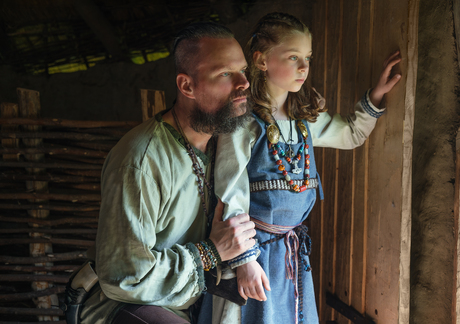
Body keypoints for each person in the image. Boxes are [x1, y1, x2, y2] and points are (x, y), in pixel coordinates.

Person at [197, 12, 402, 324]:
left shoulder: (304, 120)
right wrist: (244, 262)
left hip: (290, 254)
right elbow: (230, 193)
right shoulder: (243, 122)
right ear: (262, 61)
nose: (304, 67)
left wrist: (375, 96)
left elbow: (350, 134)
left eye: (307, 57)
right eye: (293, 57)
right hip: (253, 253)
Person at [75, 22, 258, 324]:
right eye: (225, 74)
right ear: (187, 86)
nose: (243, 83)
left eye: (243, 71)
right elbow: (126, 277)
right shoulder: (141, 160)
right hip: (124, 306)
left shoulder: (225, 145)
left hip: (191, 299)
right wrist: (210, 252)